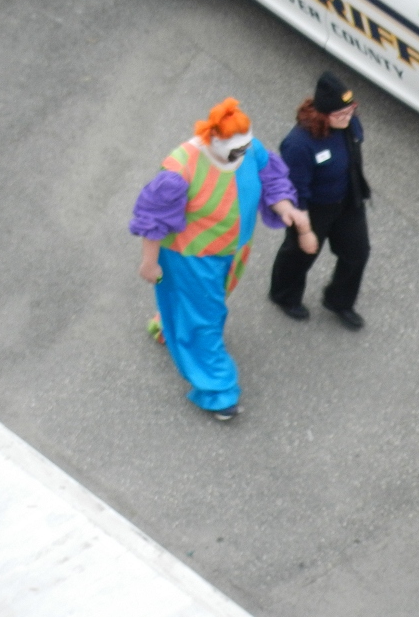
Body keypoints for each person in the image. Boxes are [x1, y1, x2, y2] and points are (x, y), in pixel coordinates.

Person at [129, 98, 311, 420]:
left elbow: (270, 178)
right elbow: (153, 219)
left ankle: (167, 326)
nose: (244, 157)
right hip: (191, 260)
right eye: (236, 152)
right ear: (213, 140)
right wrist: (150, 263)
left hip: (233, 252)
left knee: (199, 306)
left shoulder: (247, 149)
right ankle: (218, 391)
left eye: (246, 148)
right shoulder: (180, 169)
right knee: (206, 320)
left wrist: (286, 208)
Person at [268, 71, 371, 330]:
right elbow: (295, 190)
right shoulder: (299, 145)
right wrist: (303, 230)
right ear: (324, 114)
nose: (348, 118)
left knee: (357, 253)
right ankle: (284, 295)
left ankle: (338, 301)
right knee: (300, 255)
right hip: (313, 208)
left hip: (347, 199)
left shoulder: (348, 122)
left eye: (351, 110)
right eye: (341, 114)